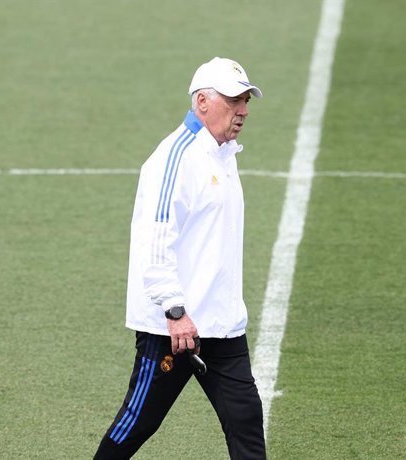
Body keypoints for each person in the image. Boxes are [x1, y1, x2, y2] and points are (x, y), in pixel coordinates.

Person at [94, 57, 266, 459]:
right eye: (233, 100)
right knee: (136, 424)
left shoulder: (223, 154)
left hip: (221, 326)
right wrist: (174, 310)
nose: (242, 110)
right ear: (202, 101)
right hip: (173, 329)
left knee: (246, 421)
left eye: (245, 100)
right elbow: (154, 241)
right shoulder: (174, 158)